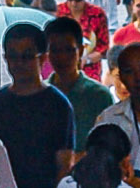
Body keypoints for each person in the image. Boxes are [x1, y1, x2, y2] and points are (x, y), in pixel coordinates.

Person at [0, 25, 75, 188]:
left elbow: (64, 165)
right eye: (12, 56)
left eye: (26, 56)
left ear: (42, 58)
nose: (18, 63)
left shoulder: (58, 105)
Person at [46, 13, 117, 145]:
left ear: (81, 50)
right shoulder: (42, 94)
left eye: (69, 50)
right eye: (55, 50)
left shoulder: (99, 95)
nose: (62, 57)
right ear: (47, 53)